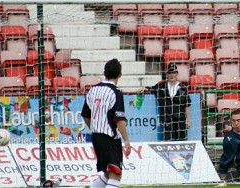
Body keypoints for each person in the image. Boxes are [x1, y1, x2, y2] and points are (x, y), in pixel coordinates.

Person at [81, 58, 131, 188]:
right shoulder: (116, 92)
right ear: (120, 74)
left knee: (108, 174)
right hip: (110, 138)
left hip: (96, 137)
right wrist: (126, 141)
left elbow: (86, 115)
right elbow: (119, 120)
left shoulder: (92, 90)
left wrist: (94, 127)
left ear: (104, 72)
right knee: (115, 176)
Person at [136, 63, 191, 141]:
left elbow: (186, 105)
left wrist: (188, 121)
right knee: (168, 143)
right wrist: (144, 89)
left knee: (182, 144)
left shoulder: (183, 88)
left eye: (173, 72)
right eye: (169, 72)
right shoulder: (161, 86)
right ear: (166, 74)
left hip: (181, 120)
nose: (172, 75)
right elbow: (151, 88)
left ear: (177, 73)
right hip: (168, 120)